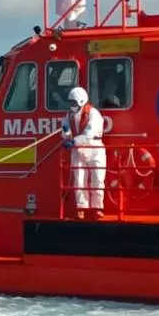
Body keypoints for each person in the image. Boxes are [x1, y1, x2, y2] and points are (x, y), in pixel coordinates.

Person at [63, 86, 106, 220]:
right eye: (71, 102)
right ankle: (81, 208)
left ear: (81, 101)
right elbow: (65, 130)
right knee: (79, 179)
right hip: (78, 149)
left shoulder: (93, 113)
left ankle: (97, 207)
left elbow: (89, 133)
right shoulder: (69, 115)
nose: (72, 105)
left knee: (98, 179)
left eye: (74, 102)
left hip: (94, 148)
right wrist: (66, 133)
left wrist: (74, 141)